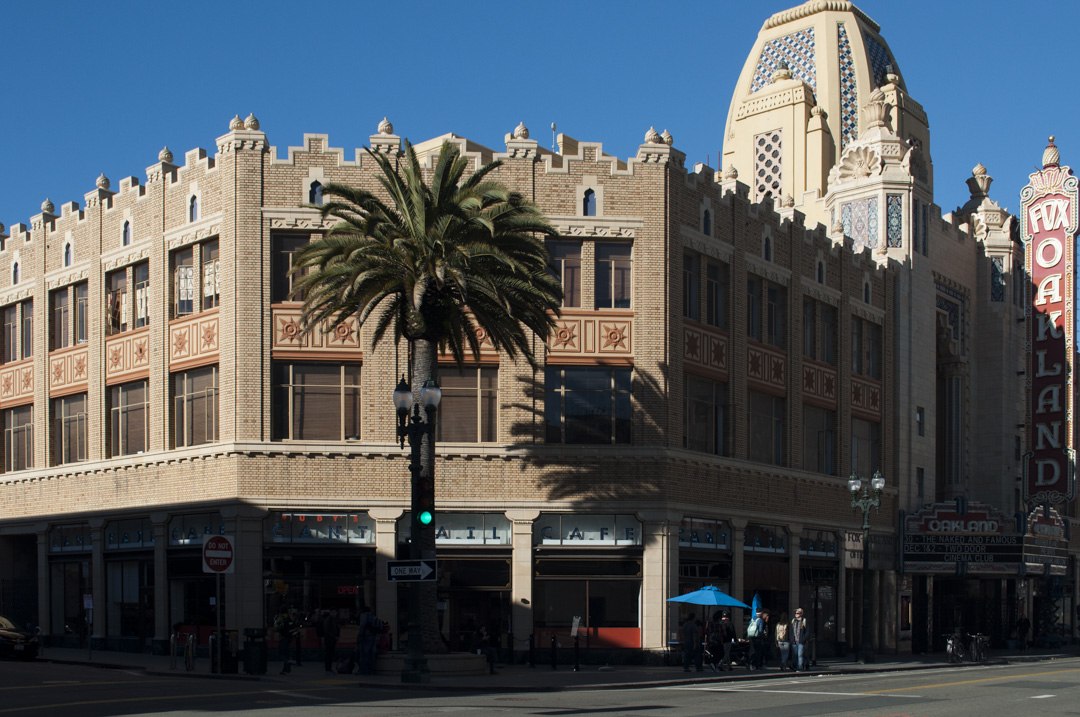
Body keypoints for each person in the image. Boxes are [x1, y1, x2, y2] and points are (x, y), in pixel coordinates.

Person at [355, 605, 381, 675]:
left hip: (366, 636)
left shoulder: (364, 615)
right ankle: (371, 670)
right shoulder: (373, 616)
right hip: (373, 636)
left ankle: (364, 671)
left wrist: (360, 635)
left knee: (364, 654)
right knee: (372, 654)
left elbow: (362, 626)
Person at [273, 607, 295, 675]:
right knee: (287, 653)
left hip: (282, 637)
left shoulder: (280, 618)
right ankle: (286, 669)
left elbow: (276, 628)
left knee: (281, 653)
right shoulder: (290, 617)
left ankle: (287, 662)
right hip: (289, 637)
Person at [321, 609, 340, 675]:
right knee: (328, 654)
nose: (334, 614)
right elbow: (327, 630)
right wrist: (334, 636)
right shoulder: (328, 620)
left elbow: (337, 629)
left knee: (330, 654)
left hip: (332, 639)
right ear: (330, 613)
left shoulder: (334, 620)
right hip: (329, 639)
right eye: (333, 612)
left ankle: (329, 668)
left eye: (335, 612)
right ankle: (328, 668)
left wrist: (337, 636)